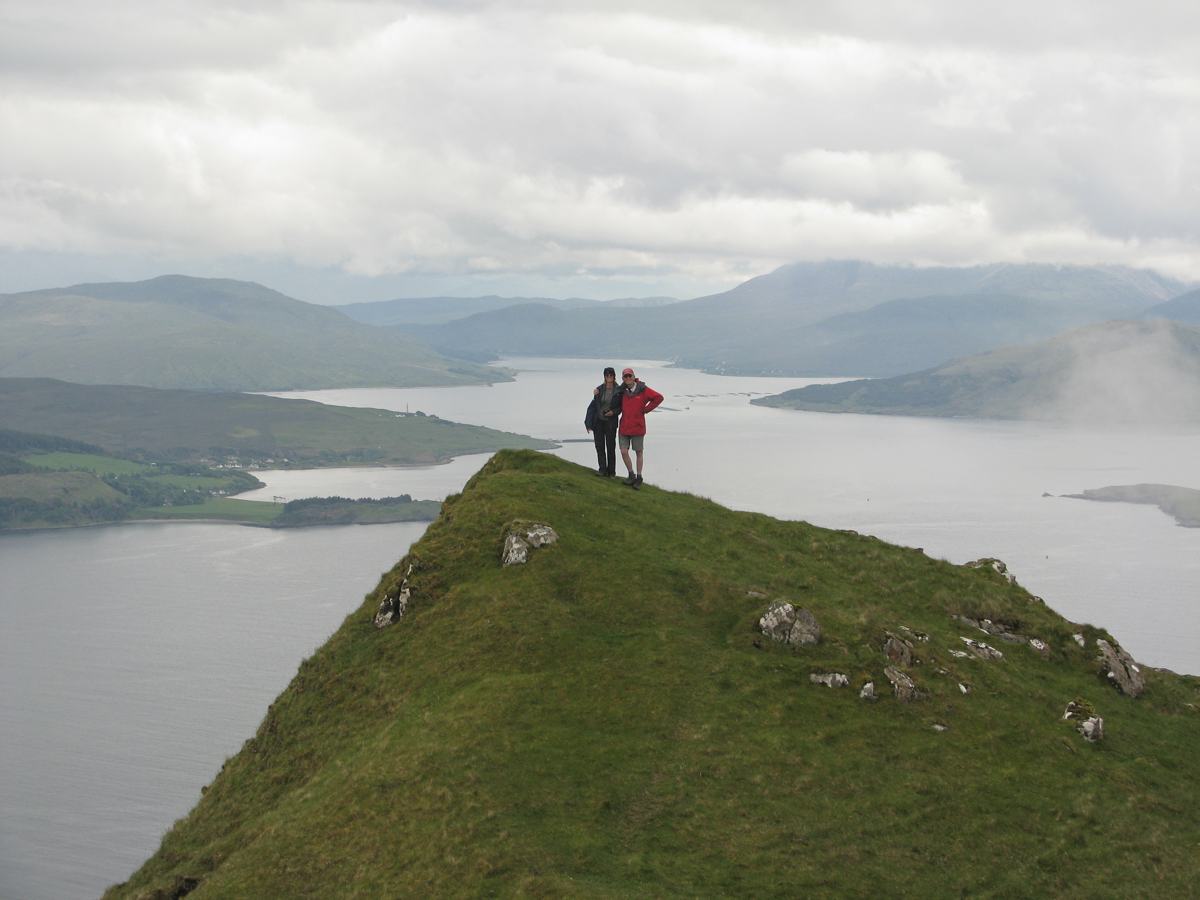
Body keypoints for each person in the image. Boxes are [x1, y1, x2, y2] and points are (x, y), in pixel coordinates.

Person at [617, 367, 663, 489]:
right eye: (625, 376)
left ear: (633, 377)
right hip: (624, 426)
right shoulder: (621, 390)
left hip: (637, 427)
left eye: (630, 376)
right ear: (623, 378)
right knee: (623, 451)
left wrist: (646, 409)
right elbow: (610, 392)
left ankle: (639, 477)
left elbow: (659, 397)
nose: (628, 378)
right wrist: (597, 391)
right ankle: (631, 474)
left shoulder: (643, 389)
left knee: (639, 452)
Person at [584, 366, 622, 476]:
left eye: (611, 375)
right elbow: (593, 406)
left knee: (610, 447)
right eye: (607, 375)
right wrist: (588, 423)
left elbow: (621, 407)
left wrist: (613, 412)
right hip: (598, 422)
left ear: (614, 376)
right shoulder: (599, 389)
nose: (609, 377)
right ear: (604, 376)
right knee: (599, 446)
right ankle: (602, 469)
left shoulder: (619, 390)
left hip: (611, 422)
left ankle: (611, 472)